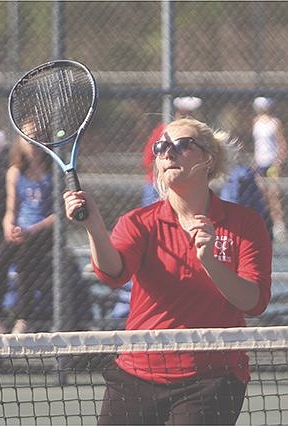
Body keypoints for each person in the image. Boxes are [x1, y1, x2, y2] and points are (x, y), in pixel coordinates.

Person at [64, 117, 272, 425]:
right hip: (137, 373)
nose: (168, 152)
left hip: (213, 379)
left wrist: (210, 262)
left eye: (183, 145)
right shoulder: (139, 222)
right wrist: (94, 226)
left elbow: (254, 302)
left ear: (208, 159)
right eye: (162, 147)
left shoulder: (245, 223)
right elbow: (114, 274)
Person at [0, 129, 55, 334]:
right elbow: (11, 210)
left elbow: (58, 214)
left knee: (25, 261)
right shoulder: (14, 172)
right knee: (2, 258)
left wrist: (31, 230)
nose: (32, 141)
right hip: (20, 231)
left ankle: (24, 319)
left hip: (43, 232)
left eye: (37, 136)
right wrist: (9, 227)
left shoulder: (54, 172)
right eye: (27, 136)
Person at [142, 97, 202, 206]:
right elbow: (147, 159)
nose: (187, 117)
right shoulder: (164, 131)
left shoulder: (195, 133)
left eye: (190, 113)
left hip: (180, 184)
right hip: (156, 183)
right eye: (184, 113)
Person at [252, 97, 288, 242]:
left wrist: (278, 161)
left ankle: (279, 227)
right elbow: (256, 143)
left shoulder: (275, 123)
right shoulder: (255, 122)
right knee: (262, 195)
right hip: (259, 162)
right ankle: (263, 224)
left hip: (272, 163)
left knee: (274, 195)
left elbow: (282, 144)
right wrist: (254, 161)